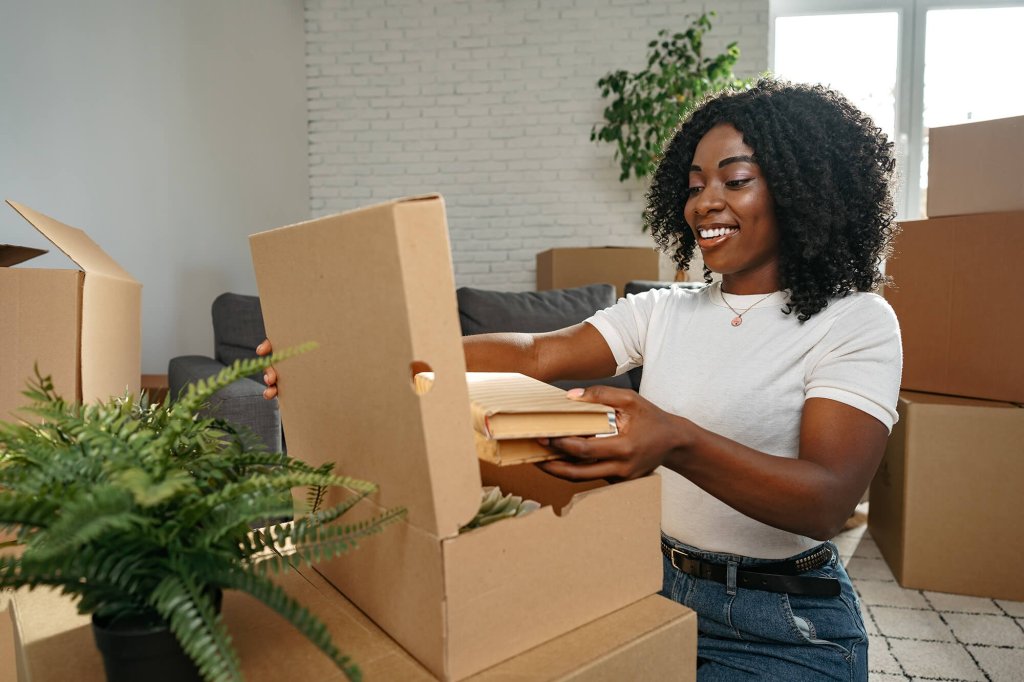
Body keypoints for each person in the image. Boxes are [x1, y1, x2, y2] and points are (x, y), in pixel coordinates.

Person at [259, 77, 901, 681]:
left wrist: (676, 440)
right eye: (695, 182)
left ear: (801, 189)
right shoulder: (666, 309)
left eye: (734, 180)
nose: (705, 201)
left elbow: (827, 501)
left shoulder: (855, 322)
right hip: (644, 580)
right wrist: (358, 357)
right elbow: (539, 354)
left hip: (780, 624)